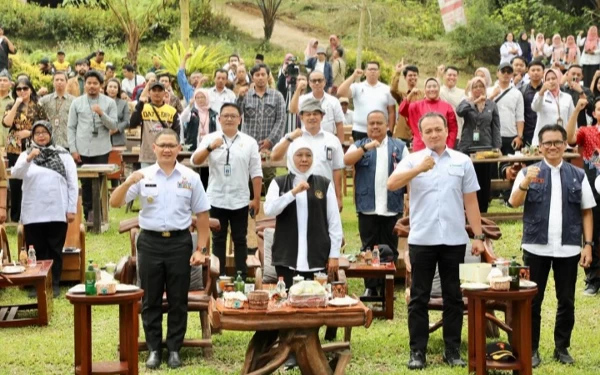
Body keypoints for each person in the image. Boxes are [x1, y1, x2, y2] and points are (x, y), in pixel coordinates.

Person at [387, 112, 485, 370]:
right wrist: (419, 168)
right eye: (428, 131)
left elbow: (471, 201)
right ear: (420, 134)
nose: (433, 134)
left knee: (453, 296)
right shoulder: (413, 160)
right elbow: (391, 184)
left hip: (454, 239)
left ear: (446, 131)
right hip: (423, 238)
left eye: (437, 129)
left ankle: (452, 350)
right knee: (419, 297)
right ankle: (417, 351)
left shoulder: (462, 161)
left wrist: (478, 235)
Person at [109, 128, 211, 370]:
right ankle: (154, 348)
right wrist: (127, 182)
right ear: (153, 148)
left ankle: (174, 349)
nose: (166, 149)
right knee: (150, 299)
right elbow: (114, 202)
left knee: (178, 299)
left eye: (171, 145)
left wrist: (201, 249)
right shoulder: (142, 175)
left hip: (179, 243)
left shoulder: (190, 177)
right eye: (162, 145)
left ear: (178, 149)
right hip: (150, 243)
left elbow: (203, 215)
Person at [509, 124, 594, 368]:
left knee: (566, 300)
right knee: (532, 301)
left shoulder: (577, 175)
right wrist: (525, 183)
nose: (553, 146)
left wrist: (587, 244)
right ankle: (531, 348)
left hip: (568, 248)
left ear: (565, 144)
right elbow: (514, 203)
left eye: (558, 142)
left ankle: (562, 347)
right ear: (540, 146)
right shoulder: (528, 172)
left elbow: (587, 211)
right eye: (548, 143)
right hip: (536, 248)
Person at [191, 103, 262, 278]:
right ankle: (219, 276)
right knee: (218, 239)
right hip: (216, 198)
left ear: (240, 119)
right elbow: (195, 161)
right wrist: (210, 148)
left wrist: (257, 199)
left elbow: (256, 172)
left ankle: (241, 277)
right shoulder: (210, 138)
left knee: (240, 239)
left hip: (240, 199)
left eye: (233, 116)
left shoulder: (249, 142)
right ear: (219, 119)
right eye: (226, 116)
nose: (229, 119)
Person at [344, 110, 407, 296]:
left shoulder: (399, 146)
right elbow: (346, 160)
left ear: (388, 125)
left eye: (379, 123)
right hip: (367, 206)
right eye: (371, 123)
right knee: (368, 248)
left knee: (390, 247)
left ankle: (386, 286)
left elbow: (409, 173)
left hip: (391, 206)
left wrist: (408, 198)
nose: (375, 126)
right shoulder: (359, 145)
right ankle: (371, 286)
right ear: (366, 126)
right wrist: (365, 148)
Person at [11, 120, 77, 298]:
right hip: (33, 212)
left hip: (57, 210)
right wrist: (29, 158)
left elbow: (72, 183)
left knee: (55, 249)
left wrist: (71, 209)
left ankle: (54, 284)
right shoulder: (25, 155)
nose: (41, 135)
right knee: (37, 250)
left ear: (50, 134)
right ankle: (37, 284)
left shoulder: (63, 155)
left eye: (44, 132)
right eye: (37, 133)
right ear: (32, 136)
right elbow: (16, 174)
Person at [264, 137, 341, 287]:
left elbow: (334, 222)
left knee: (316, 302)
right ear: (291, 157)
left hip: (317, 259)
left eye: (308, 155)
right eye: (299, 155)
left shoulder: (324, 184)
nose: (304, 159)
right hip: (287, 258)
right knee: (287, 303)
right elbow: (269, 210)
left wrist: (334, 255)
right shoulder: (279, 183)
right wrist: (292, 193)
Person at [272, 97, 344, 211]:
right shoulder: (293, 136)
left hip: (324, 192)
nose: (312, 117)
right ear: (301, 117)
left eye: (315, 113)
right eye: (308, 114)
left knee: (324, 227)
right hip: (297, 192)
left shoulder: (332, 140)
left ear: (322, 116)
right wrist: (290, 139)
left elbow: (337, 169)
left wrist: (338, 197)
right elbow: (274, 156)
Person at [67, 70, 117, 221]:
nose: (92, 86)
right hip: (82, 150)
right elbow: (71, 127)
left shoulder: (109, 102)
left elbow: (113, 125)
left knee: (101, 182)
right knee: (86, 183)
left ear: (101, 85)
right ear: (85, 85)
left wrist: (101, 113)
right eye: (89, 83)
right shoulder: (77, 102)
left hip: (101, 149)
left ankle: (100, 212)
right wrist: (73, 149)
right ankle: (88, 211)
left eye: (95, 83)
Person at [566, 98, 600, 295]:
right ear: (594, 113)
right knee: (592, 231)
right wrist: (576, 111)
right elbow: (570, 139)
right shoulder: (587, 132)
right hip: (592, 188)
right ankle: (593, 278)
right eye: (598, 109)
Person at [3, 78, 48, 222]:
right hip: (14, 146)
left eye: (25, 88)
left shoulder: (38, 106)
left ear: (30, 90)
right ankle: (16, 217)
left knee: (32, 179)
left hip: (32, 145)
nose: (22, 92)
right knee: (15, 182)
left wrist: (29, 132)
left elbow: (45, 125)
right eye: (19, 89)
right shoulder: (11, 105)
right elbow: (6, 123)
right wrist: (16, 103)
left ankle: (33, 215)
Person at [237, 64, 286, 191]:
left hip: (269, 148)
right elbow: (236, 114)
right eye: (257, 75)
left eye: (263, 74)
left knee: (270, 179)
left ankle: (272, 209)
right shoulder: (245, 95)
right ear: (252, 78)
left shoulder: (277, 96)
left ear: (268, 76)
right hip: (248, 146)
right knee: (248, 180)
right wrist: (240, 97)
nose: (260, 78)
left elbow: (281, 120)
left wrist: (270, 141)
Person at [457, 77, 501, 212]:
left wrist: (497, 147)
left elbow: (496, 127)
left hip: (485, 148)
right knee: (468, 179)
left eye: (481, 86)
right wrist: (474, 103)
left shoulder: (491, 105)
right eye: (475, 87)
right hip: (468, 147)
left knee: (483, 180)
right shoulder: (466, 102)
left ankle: (483, 209)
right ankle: (466, 209)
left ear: (485, 88)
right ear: (471, 89)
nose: (478, 89)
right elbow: (460, 111)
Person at [337, 62, 396, 141]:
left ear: (379, 72)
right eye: (370, 69)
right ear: (365, 72)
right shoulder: (357, 87)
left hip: (381, 131)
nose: (372, 71)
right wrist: (353, 76)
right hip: (360, 130)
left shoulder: (387, 89)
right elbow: (340, 92)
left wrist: (390, 131)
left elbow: (392, 112)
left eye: (375, 69)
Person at [130, 81, 180, 168]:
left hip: (166, 155)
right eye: (154, 90)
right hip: (147, 155)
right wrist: (141, 103)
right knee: (148, 181)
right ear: (149, 93)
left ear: (164, 93)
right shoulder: (143, 108)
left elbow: (176, 134)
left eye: (160, 90)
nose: (157, 93)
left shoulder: (172, 111)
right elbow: (132, 123)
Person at [399, 77, 458, 151]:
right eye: (429, 87)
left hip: (441, 148)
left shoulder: (447, 106)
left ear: (439, 89)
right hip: (421, 147)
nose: (432, 89)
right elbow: (402, 110)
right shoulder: (416, 106)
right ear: (424, 90)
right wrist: (410, 95)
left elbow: (453, 129)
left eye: (434, 86)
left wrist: (448, 146)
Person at [290, 71, 344, 143]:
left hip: (328, 141)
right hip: (307, 140)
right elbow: (293, 110)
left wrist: (341, 144)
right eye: (314, 81)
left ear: (324, 82)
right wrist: (298, 89)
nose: (317, 83)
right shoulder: (303, 99)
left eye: (319, 80)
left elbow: (339, 124)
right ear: (309, 83)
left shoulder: (334, 101)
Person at [488, 63, 524, 157]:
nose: (506, 74)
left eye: (509, 72)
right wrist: (492, 96)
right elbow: (482, 109)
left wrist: (519, 136)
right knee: (492, 167)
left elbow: (520, 117)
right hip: (491, 134)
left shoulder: (517, 94)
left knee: (509, 166)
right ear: (497, 73)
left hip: (510, 135)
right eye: (503, 71)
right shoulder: (488, 90)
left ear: (512, 75)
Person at [530, 69, 574, 146]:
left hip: (562, 139)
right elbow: (535, 108)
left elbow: (572, 119)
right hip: (544, 139)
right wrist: (542, 91)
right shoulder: (539, 95)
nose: (551, 81)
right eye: (548, 79)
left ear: (559, 79)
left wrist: (573, 140)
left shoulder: (567, 97)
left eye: (553, 78)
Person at [39, 72, 74, 150]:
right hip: (49, 142)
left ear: (66, 82)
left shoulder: (74, 100)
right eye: (57, 80)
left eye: (62, 80)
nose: (59, 82)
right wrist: (38, 93)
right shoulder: (45, 100)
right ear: (53, 82)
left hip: (68, 142)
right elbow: (34, 107)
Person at [391, 63, 422, 144]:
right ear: (405, 77)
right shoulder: (402, 96)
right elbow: (393, 90)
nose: (413, 77)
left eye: (415, 75)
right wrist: (397, 72)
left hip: (418, 135)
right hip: (402, 135)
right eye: (410, 75)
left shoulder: (423, 95)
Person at [520, 60, 545, 145]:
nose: (535, 73)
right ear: (528, 71)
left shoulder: (547, 89)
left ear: (543, 72)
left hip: (544, 129)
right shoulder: (522, 90)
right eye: (533, 70)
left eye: (538, 70)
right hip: (527, 131)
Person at [438, 65, 465, 140]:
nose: (452, 77)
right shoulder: (439, 91)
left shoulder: (462, 93)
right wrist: (438, 76)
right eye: (449, 75)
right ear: (444, 76)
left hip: (458, 132)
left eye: (454, 75)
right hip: (440, 132)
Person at [104, 78, 130, 148]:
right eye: (110, 86)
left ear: (118, 90)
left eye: (115, 87)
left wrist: (115, 129)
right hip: (102, 140)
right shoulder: (100, 102)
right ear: (106, 89)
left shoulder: (123, 103)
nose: (112, 89)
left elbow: (127, 121)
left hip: (118, 140)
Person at [0, 69, 12, 149]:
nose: (2, 83)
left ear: (10, 84)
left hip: (8, 145)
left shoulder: (14, 101)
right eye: (0, 80)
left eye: (5, 80)